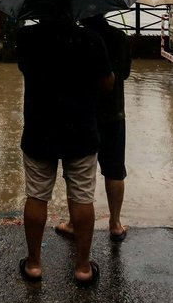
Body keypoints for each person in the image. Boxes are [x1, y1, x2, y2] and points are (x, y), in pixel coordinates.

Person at [16, 15, 113, 286]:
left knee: (36, 195)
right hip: (80, 129)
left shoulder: (27, 37)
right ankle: (83, 267)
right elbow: (107, 84)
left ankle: (34, 264)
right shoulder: (91, 39)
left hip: (39, 128)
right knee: (82, 196)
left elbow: (26, 68)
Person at [56, 14, 132, 243]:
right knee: (115, 169)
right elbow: (125, 74)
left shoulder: (75, 39)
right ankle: (115, 224)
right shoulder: (120, 38)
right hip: (114, 113)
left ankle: (73, 223)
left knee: (77, 173)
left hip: (81, 114)